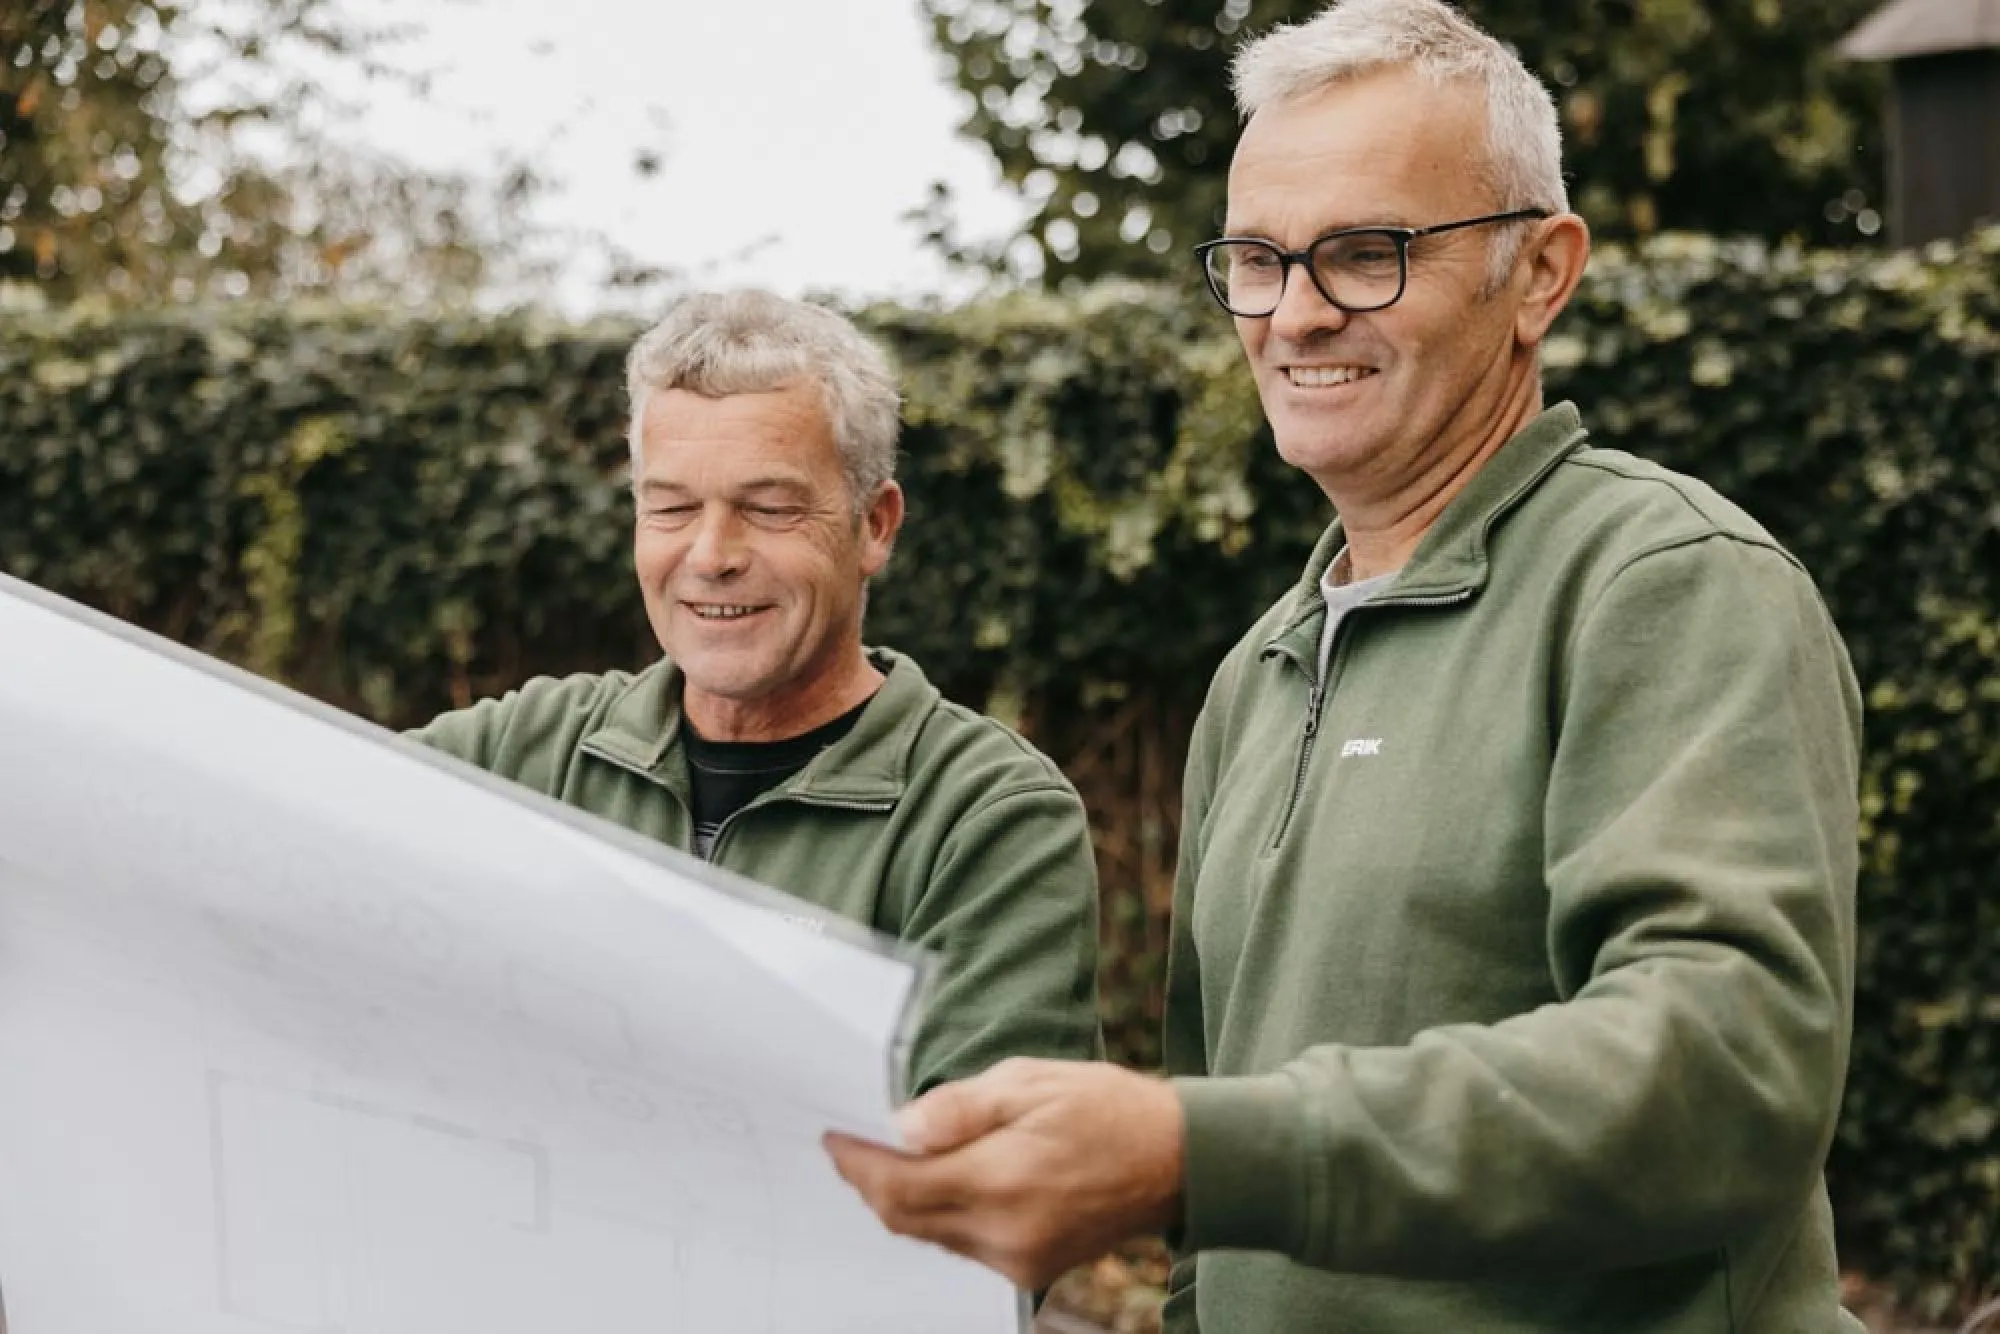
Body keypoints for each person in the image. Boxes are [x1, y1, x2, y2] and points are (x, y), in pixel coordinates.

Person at [826, 1, 1866, 1330]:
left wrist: (1200, 1150)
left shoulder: (1666, 581)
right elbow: (1222, 1224)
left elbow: (1725, 1075)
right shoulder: (1259, 667)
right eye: (1257, 260)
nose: (1297, 315)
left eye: (1366, 254)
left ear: (1541, 272)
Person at [413, 289, 1102, 1097]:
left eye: (768, 509)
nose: (711, 556)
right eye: (670, 507)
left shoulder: (986, 818)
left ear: (874, 525)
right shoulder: (524, 755)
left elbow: (995, 1183)